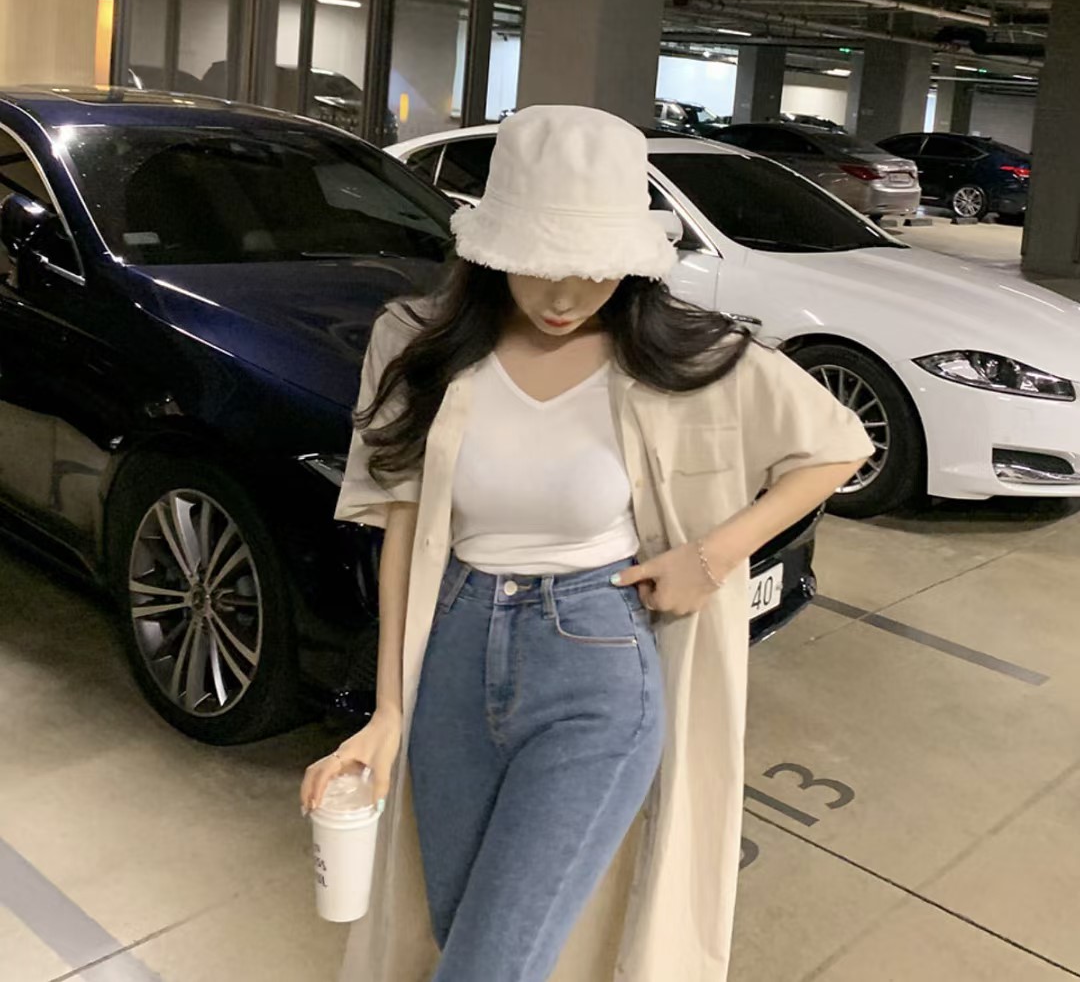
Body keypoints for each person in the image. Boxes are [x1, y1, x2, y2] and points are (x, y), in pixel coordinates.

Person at [301, 105, 872, 982]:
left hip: (595, 665)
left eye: (594, 267)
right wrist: (387, 711)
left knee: (490, 966)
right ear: (492, 247)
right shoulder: (416, 340)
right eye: (538, 263)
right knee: (459, 927)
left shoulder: (680, 356)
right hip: (454, 650)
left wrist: (713, 557)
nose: (565, 296)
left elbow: (835, 445)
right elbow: (402, 524)